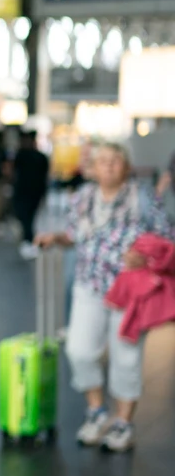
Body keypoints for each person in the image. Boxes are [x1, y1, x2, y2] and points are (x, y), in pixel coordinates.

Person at [36, 142, 173, 452]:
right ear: (93, 169)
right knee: (80, 351)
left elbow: (166, 238)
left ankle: (123, 423)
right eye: (103, 162)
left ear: (126, 167)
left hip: (132, 292)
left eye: (116, 161)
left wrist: (145, 256)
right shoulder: (82, 199)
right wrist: (57, 238)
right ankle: (97, 412)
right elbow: (74, 236)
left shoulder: (143, 198)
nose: (110, 166)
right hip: (89, 285)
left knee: (126, 357)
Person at [12, 131, 50, 260]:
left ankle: (28, 240)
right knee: (27, 217)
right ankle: (28, 240)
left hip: (29, 192)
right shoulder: (35, 156)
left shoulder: (24, 155)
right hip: (31, 192)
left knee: (27, 217)